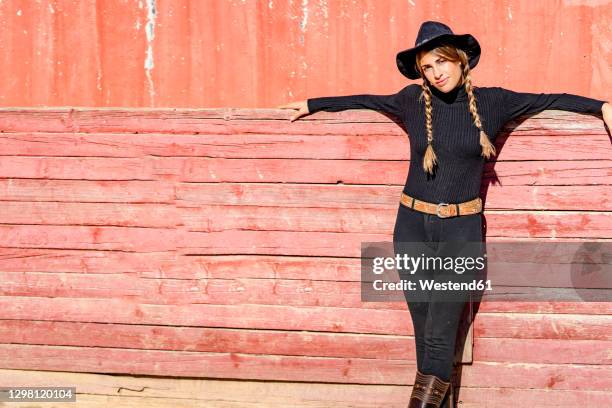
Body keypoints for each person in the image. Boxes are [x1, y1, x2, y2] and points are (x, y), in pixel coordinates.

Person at [277, 21, 611, 408]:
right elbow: (364, 99)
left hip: (461, 230)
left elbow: (549, 99)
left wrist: (601, 107)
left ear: (460, 59)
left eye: (441, 62)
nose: (436, 73)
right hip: (411, 225)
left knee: (439, 333)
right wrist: (312, 104)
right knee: (423, 329)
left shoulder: (495, 102)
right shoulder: (410, 100)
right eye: (427, 68)